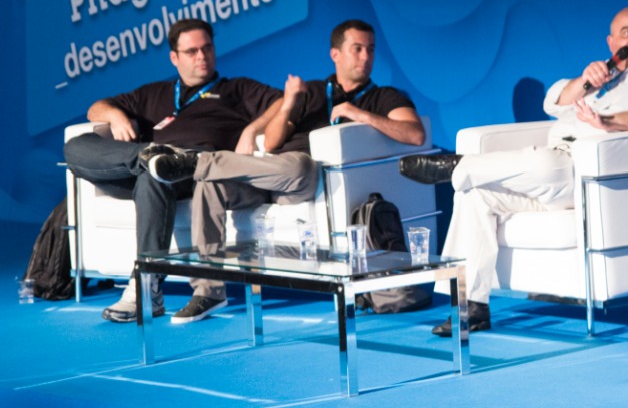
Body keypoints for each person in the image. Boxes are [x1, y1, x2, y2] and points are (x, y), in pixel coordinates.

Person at [398, 5, 628, 336]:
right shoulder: (602, 79)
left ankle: (460, 165)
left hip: (588, 179)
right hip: (550, 181)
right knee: (475, 194)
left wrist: (607, 121)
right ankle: (470, 306)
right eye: (627, 33)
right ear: (611, 42)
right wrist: (587, 80)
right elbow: (553, 102)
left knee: (548, 163)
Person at [155, 19, 425, 323]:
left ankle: (198, 163)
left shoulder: (385, 96)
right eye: (357, 49)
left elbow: (415, 133)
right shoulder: (313, 91)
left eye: (371, 50)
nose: (366, 57)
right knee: (211, 184)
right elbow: (271, 142)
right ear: (335, 54)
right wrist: (289, 103)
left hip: (303, 181)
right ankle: (208, 290)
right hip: (267, 176)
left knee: (299, 164)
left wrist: (359, 114)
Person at [63, 19, 281, 323]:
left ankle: (146, 287)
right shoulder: (155, 93)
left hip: (192, 170)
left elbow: (283, 101)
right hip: (138, 167)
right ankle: (147, 157)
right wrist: (115, 116)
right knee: (76, 146)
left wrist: (252, 129)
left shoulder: (236, 89)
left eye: (207, 48)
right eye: (191, 51)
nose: (202, 56)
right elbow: (95, 109)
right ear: (174, 58)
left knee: (155, 176)